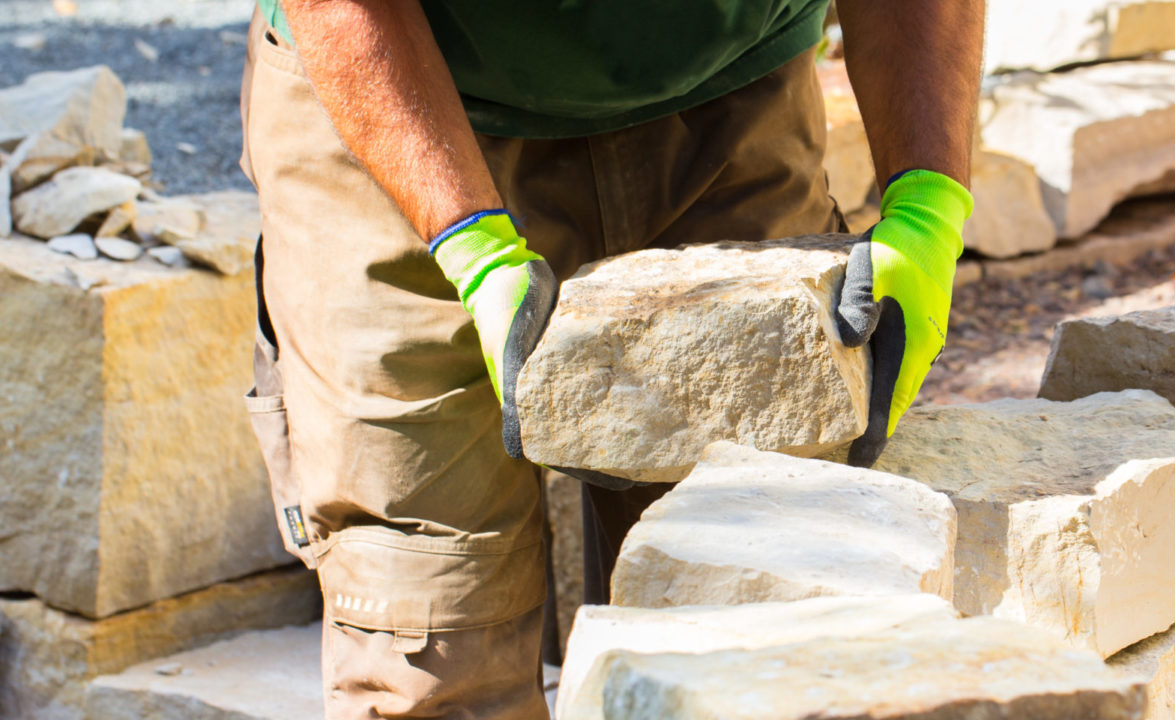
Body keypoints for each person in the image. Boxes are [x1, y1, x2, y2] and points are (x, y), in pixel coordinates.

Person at [238, 0, 984, 717]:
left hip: (726, 100)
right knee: (432, 650)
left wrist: (928, 203)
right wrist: (470, 249)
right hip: (401, 98)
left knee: (752, 623)